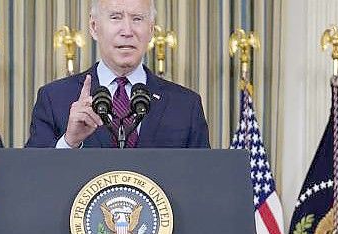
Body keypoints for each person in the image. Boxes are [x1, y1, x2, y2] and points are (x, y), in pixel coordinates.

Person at [25, 0, 210, 149]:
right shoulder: (54, 98)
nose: (127, 31)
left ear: (151, 30)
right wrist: (69, 142)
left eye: (137, 19)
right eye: (115, 17)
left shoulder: (186, 105)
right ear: (94, 27)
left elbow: (202, 185)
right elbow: (31, 180)